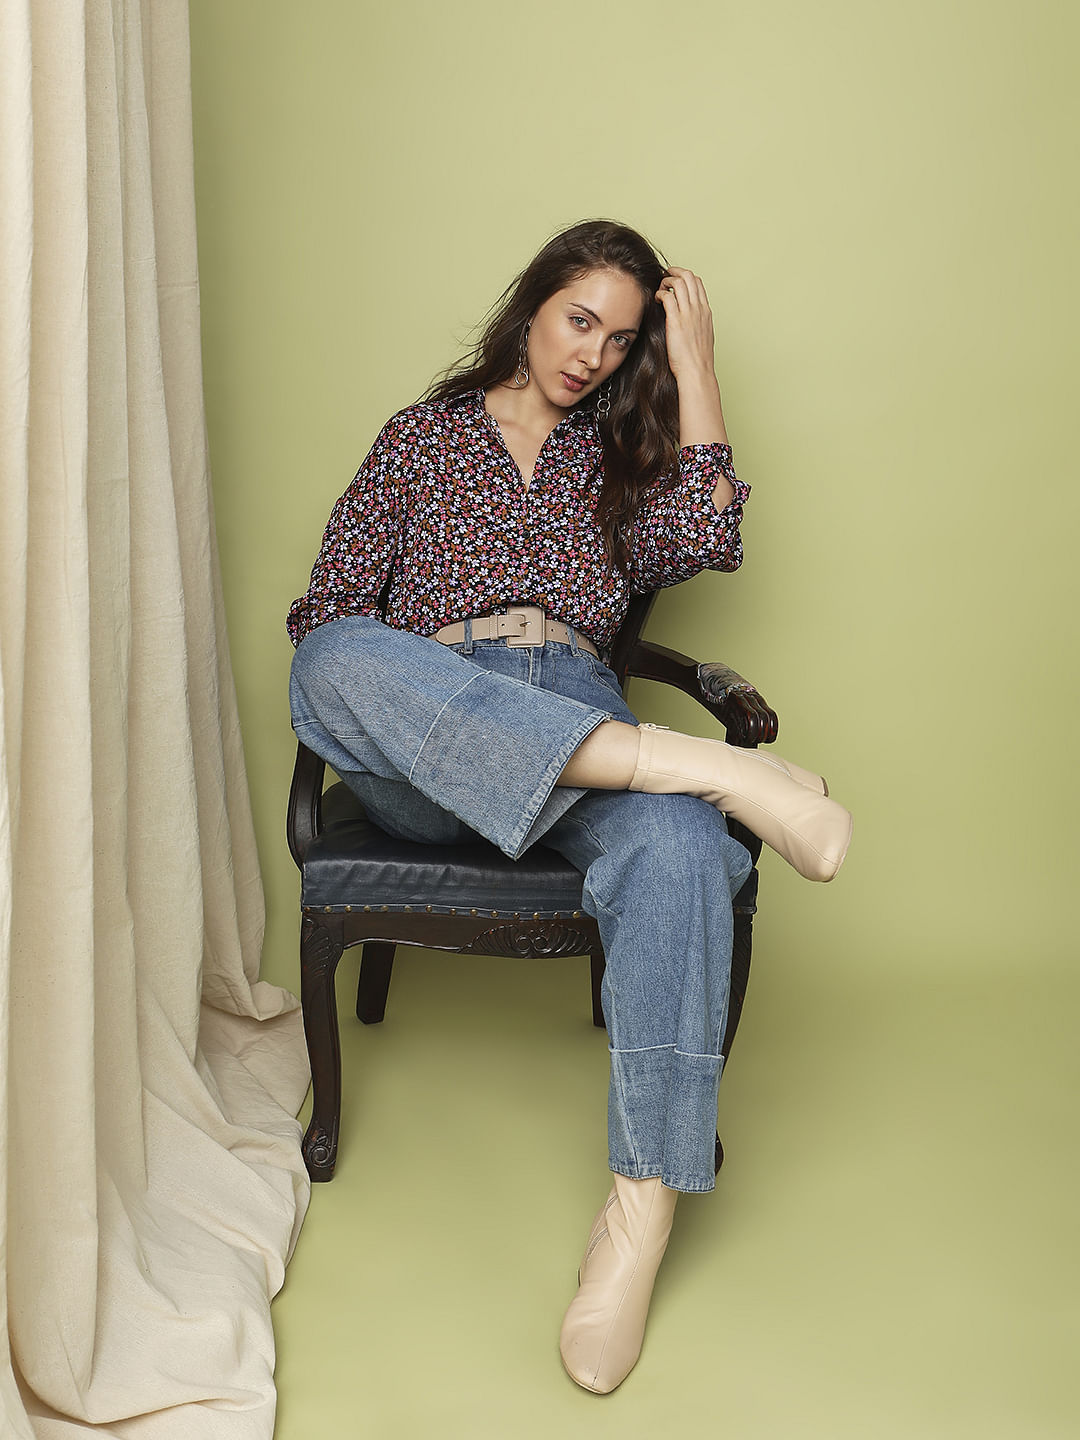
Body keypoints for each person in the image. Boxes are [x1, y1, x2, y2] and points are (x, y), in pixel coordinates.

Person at [287, 219, 852, 1394]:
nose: (592, 354)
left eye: (622, 337)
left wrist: (696, 368)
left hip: (582, 723)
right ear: (532, 307)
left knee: (683, 852)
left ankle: (633, 1231)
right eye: (578, 320)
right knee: (330, 658)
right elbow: (332, 611)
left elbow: (710, 534)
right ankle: (711, 766)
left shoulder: (617, 461)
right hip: (437, 741)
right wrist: (428, 679)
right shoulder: (421, 441)